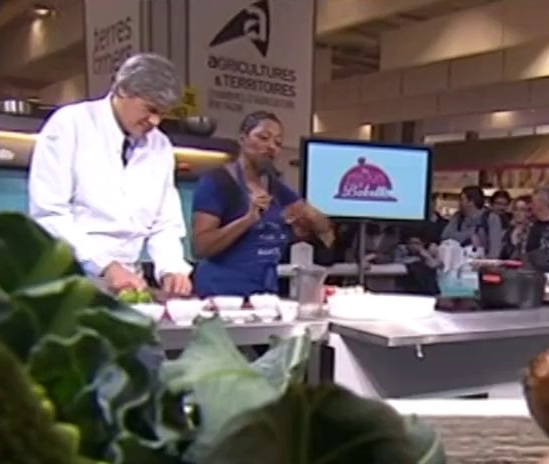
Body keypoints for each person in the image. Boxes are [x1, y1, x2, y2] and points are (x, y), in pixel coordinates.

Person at [28, 53, 193, 296]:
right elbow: (50, 214)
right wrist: (105, 265)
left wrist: (171, 268)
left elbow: (164, 223)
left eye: (163, 113)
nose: (156, 121)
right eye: (151, 109)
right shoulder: (70, 124)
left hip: (129, 281)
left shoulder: (160, 146)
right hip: (70, 277)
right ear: (123, 90)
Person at [190, 111, 332, 296]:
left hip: (264, 295)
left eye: (278, 143)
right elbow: (201, 247)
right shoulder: (217, 182)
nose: (271, 147)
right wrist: (248, 220)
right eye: (263, 138)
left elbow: (326, 232)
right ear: (242, 139)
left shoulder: (279, 189)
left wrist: (311, 217)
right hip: (221, 294)